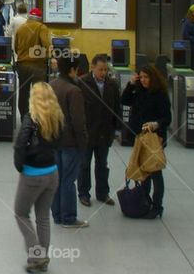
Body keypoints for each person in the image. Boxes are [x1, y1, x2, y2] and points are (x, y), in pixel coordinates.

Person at [13, 82, 63, 274]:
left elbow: (19, 145)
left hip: (33, 174)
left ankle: (36, 256)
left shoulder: (31, 118)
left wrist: (20, 166)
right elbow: (59, 143)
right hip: (52, 173)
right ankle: (43, 258)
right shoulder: (57, 118)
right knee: (43, 217)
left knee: (21, 212)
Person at [121, 64, 171, 218]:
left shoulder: (160, 94)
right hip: (140, 137)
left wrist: (155, 125)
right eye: (141, 77)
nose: (143, 80)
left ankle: (157, 206)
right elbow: (124, 100)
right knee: (143, 172)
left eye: (146, 77)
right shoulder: (138, 91)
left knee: (155, 172)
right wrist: (131, 84)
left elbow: (167, 118)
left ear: (153, 77)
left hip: (154, 138)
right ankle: (145, 202)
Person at [49, 56, 89, 228]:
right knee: (68, 180)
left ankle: (57, 215)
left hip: (53, 139)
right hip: (70, 142)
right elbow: (78, 122)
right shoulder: (74, 91)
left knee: (56, 179)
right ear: (73, 70)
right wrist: (83, 142)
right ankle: (69, 218)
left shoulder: (51, 86)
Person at [77, 54, 120, 207]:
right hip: (87, 132)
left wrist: (117, 129)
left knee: (102, 164)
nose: (103, 73)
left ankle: (103, 193)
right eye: (100, 69)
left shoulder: (112, 84)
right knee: (84, 164)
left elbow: (116, 107)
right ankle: (83, 193)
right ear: (92, 68)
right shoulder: (82, 83)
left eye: (105, 70)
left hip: (105, 132)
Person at [14, 7, 50, 118]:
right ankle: (37, 118)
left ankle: (24, 117)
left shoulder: (21, 28)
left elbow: (16, 47)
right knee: (38, 94)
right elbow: (46, 45)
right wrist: (49, 57)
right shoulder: (41, 28)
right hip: (38, 66)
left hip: (22, 65)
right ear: (39, 19)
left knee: (23, 93)